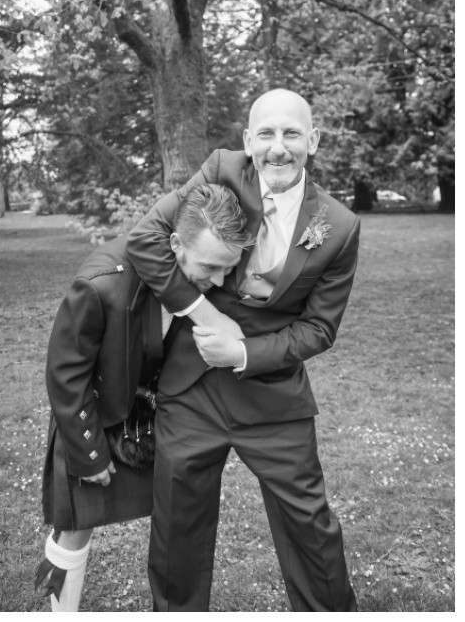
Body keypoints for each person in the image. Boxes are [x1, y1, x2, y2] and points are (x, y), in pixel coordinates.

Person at [126, 88, 360, 611]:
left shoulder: (340, 227)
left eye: (292, 134)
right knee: (175, 528)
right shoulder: (219, 169)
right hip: (192, 388)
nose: (279, 148)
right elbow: (146, 239)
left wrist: (245, 354)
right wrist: (205, 314)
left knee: (311, 527)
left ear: (314, 141)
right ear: (249, 140)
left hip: (273, 396)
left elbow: (320, 329)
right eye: (268, 134)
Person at [37, 185, 253, 612]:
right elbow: (66, 374)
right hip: (100, 411)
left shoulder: (211, 274)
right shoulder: (101, 287)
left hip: (162, 412)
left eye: (228, 269)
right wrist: (89, 454)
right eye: (210, 267)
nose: (219, 282)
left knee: (176, 515)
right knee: (77, 524)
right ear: (174, 244)